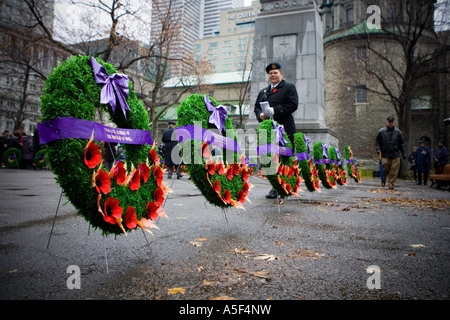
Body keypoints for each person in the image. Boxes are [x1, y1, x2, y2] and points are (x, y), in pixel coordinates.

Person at [254, 62, 299, 199]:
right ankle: (275, 186)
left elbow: (293, 104)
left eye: (275, 73)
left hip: (284, 128)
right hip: (268, 130)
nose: (273, 75)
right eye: (270, 73)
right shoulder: (264, 91)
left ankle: (285, 185)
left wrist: (275, 110)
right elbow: (256, 107)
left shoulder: (289, 87)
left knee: (284, 157)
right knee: (272, 158)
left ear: (281, 74)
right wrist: (260, 115)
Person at [375, 116, 406, 189]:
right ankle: (383, 180)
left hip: (395, 154)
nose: (390, 123)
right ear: (387, 122)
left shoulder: (398, 132)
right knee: (384, 168)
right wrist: (378, 150)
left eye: (392, 122)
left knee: (394, 170)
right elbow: (377, 142)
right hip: (384, 154)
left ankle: (391, 183)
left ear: (393, 122)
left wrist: (403, 153)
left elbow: (401, 144)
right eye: (389, 122)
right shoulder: (381, 132)